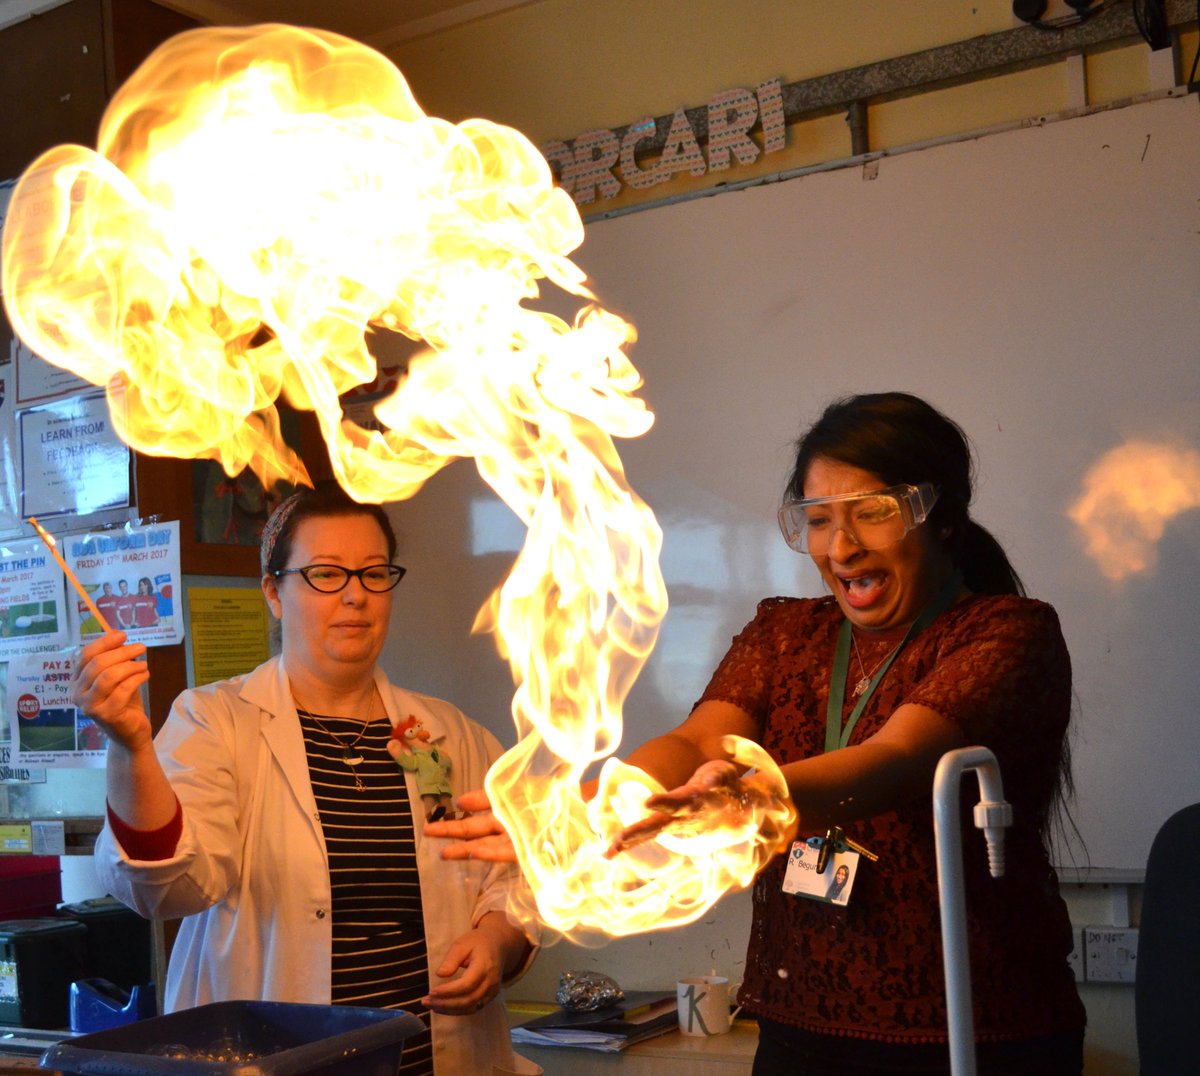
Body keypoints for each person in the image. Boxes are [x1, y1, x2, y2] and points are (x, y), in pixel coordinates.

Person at [428, 392, 1086, 1075]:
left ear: (939, 516)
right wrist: (614, 802)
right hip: (800, 1027)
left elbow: (893, 760)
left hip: (974, 1035)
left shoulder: (1008, 633)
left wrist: (741, 801)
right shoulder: (785, 633)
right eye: (819, 520)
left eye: (872, 514)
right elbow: (696, 743)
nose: (841, 547)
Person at [77, 482, 540, 1076]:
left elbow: (517, 878)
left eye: (374, 574)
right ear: (274, 591)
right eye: (326, 574)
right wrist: (129, 747)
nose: (355, 597)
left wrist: (500, 941)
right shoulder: (216, 722)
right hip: (276, 1062)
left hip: (435, 1061)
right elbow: (168, 888)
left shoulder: (455, 735)